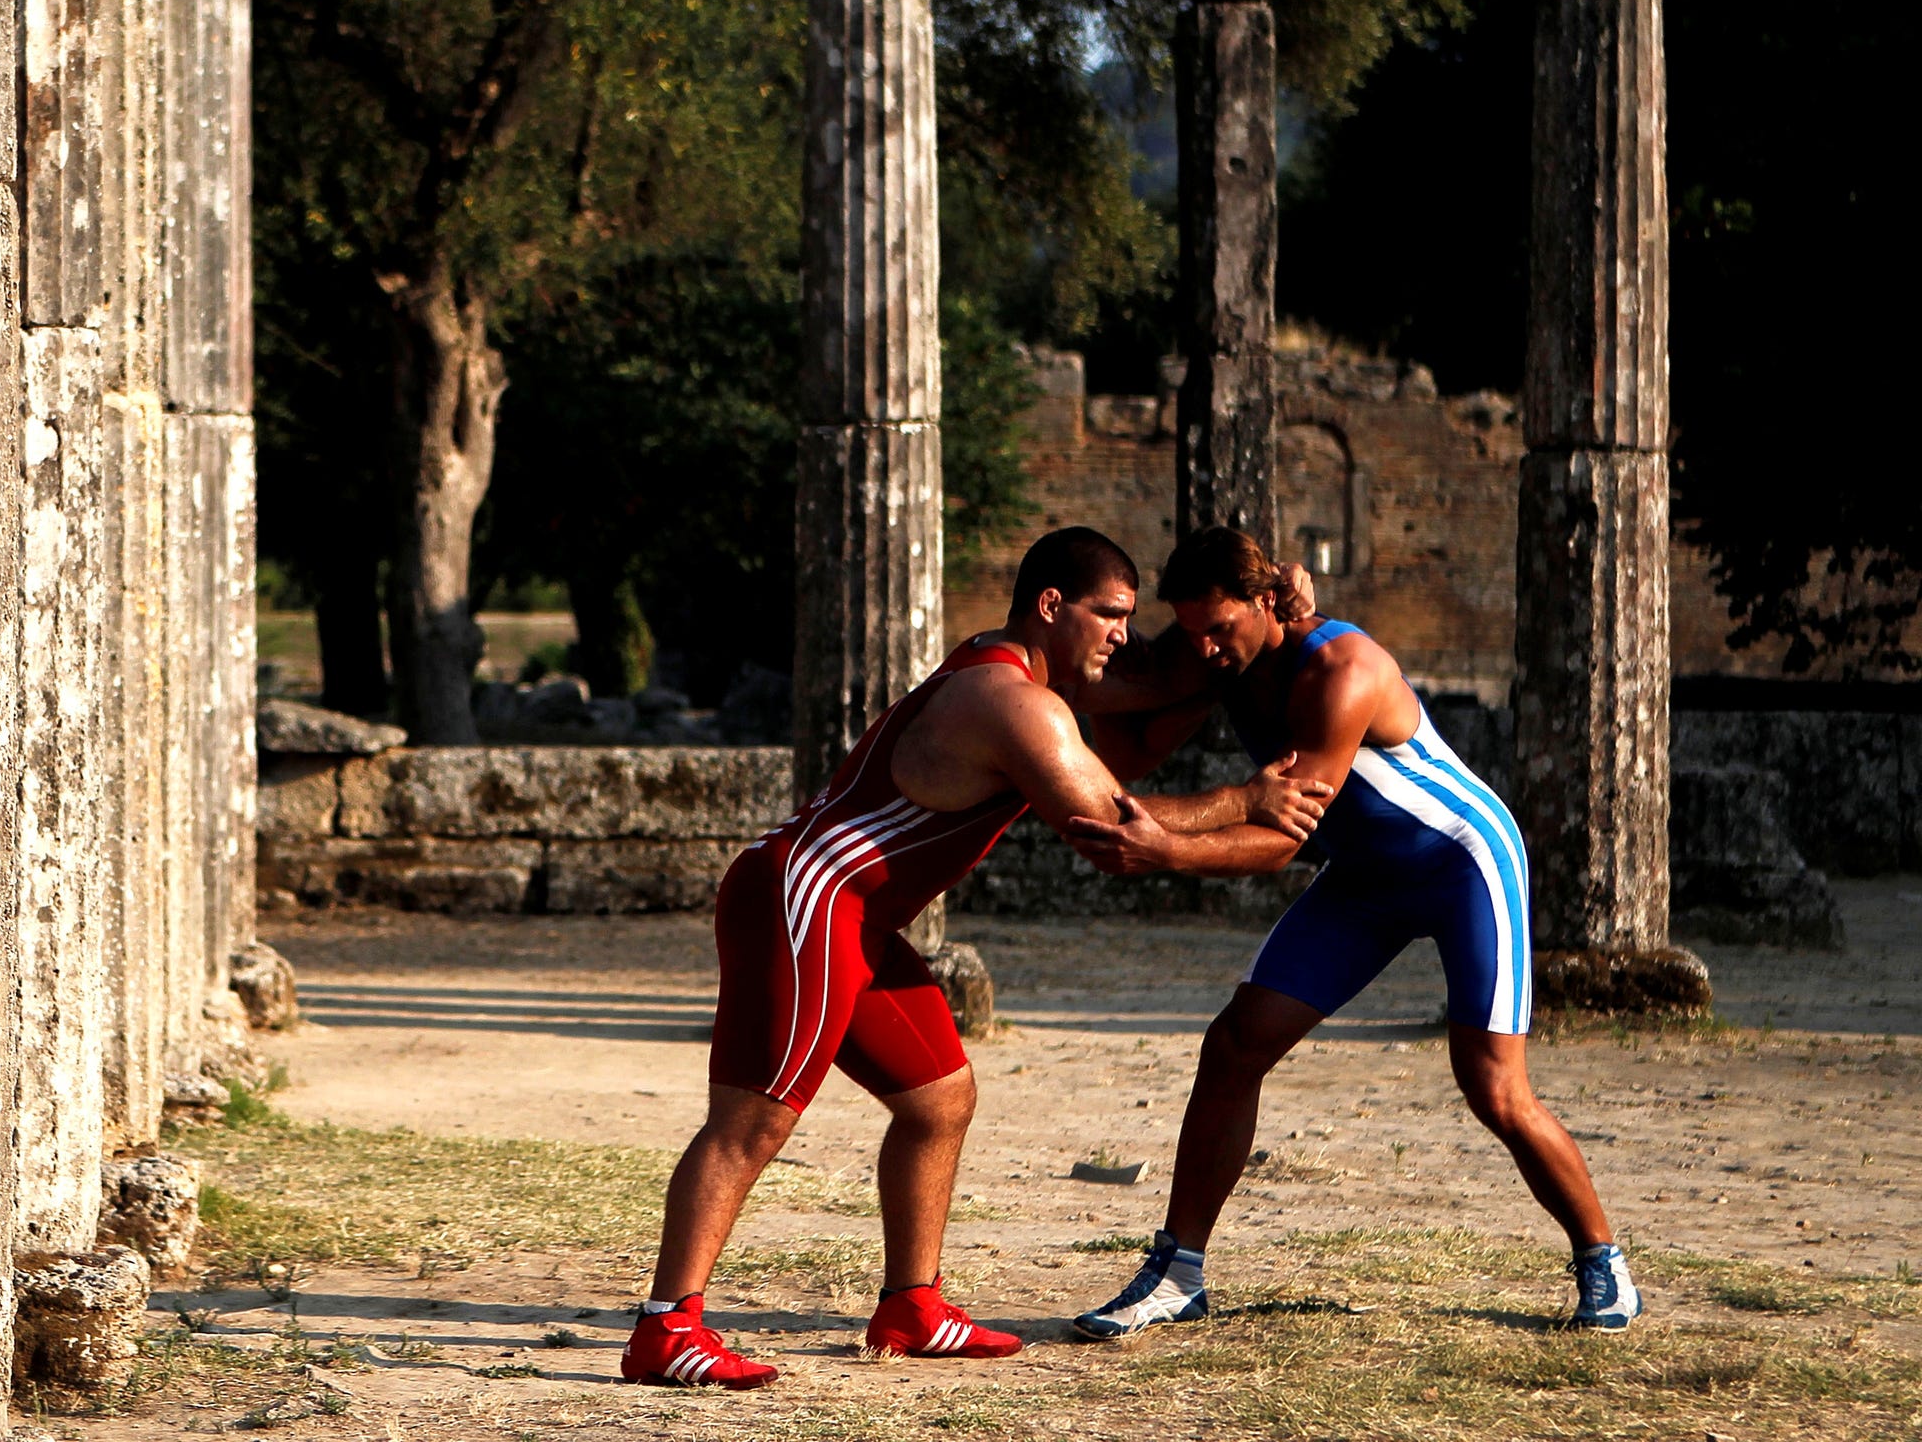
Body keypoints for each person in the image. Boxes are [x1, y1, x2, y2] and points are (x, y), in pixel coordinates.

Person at [620, 527, 1335, 1389]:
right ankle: (666, 1328)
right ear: (1050, 607)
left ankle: (911, 1307)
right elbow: (1110, 826)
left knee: (940, 1100)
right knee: (753, 1123)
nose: (1121, 634)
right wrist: (1246, 798)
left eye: (1128, 620)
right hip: (804, 900)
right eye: (1108, 615)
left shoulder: (1022, 678)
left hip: (855, 919)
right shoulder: (1013, 702)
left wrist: (1261, 624)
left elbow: (1154, 705)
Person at [1063, 526, 1640, 1341]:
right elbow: (1135, 741)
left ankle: (1601, 1258)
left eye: (1220, 629)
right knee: (1235, 1046)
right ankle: (1179, 1270)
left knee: (1494, 1086)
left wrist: (1165, 850)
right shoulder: (1218, 655)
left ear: (1268, 603)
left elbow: (1280, 837)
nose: (1205, 648)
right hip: (1366, 878)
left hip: (1461, 864)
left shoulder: (1343, 669)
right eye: (1191, 632)